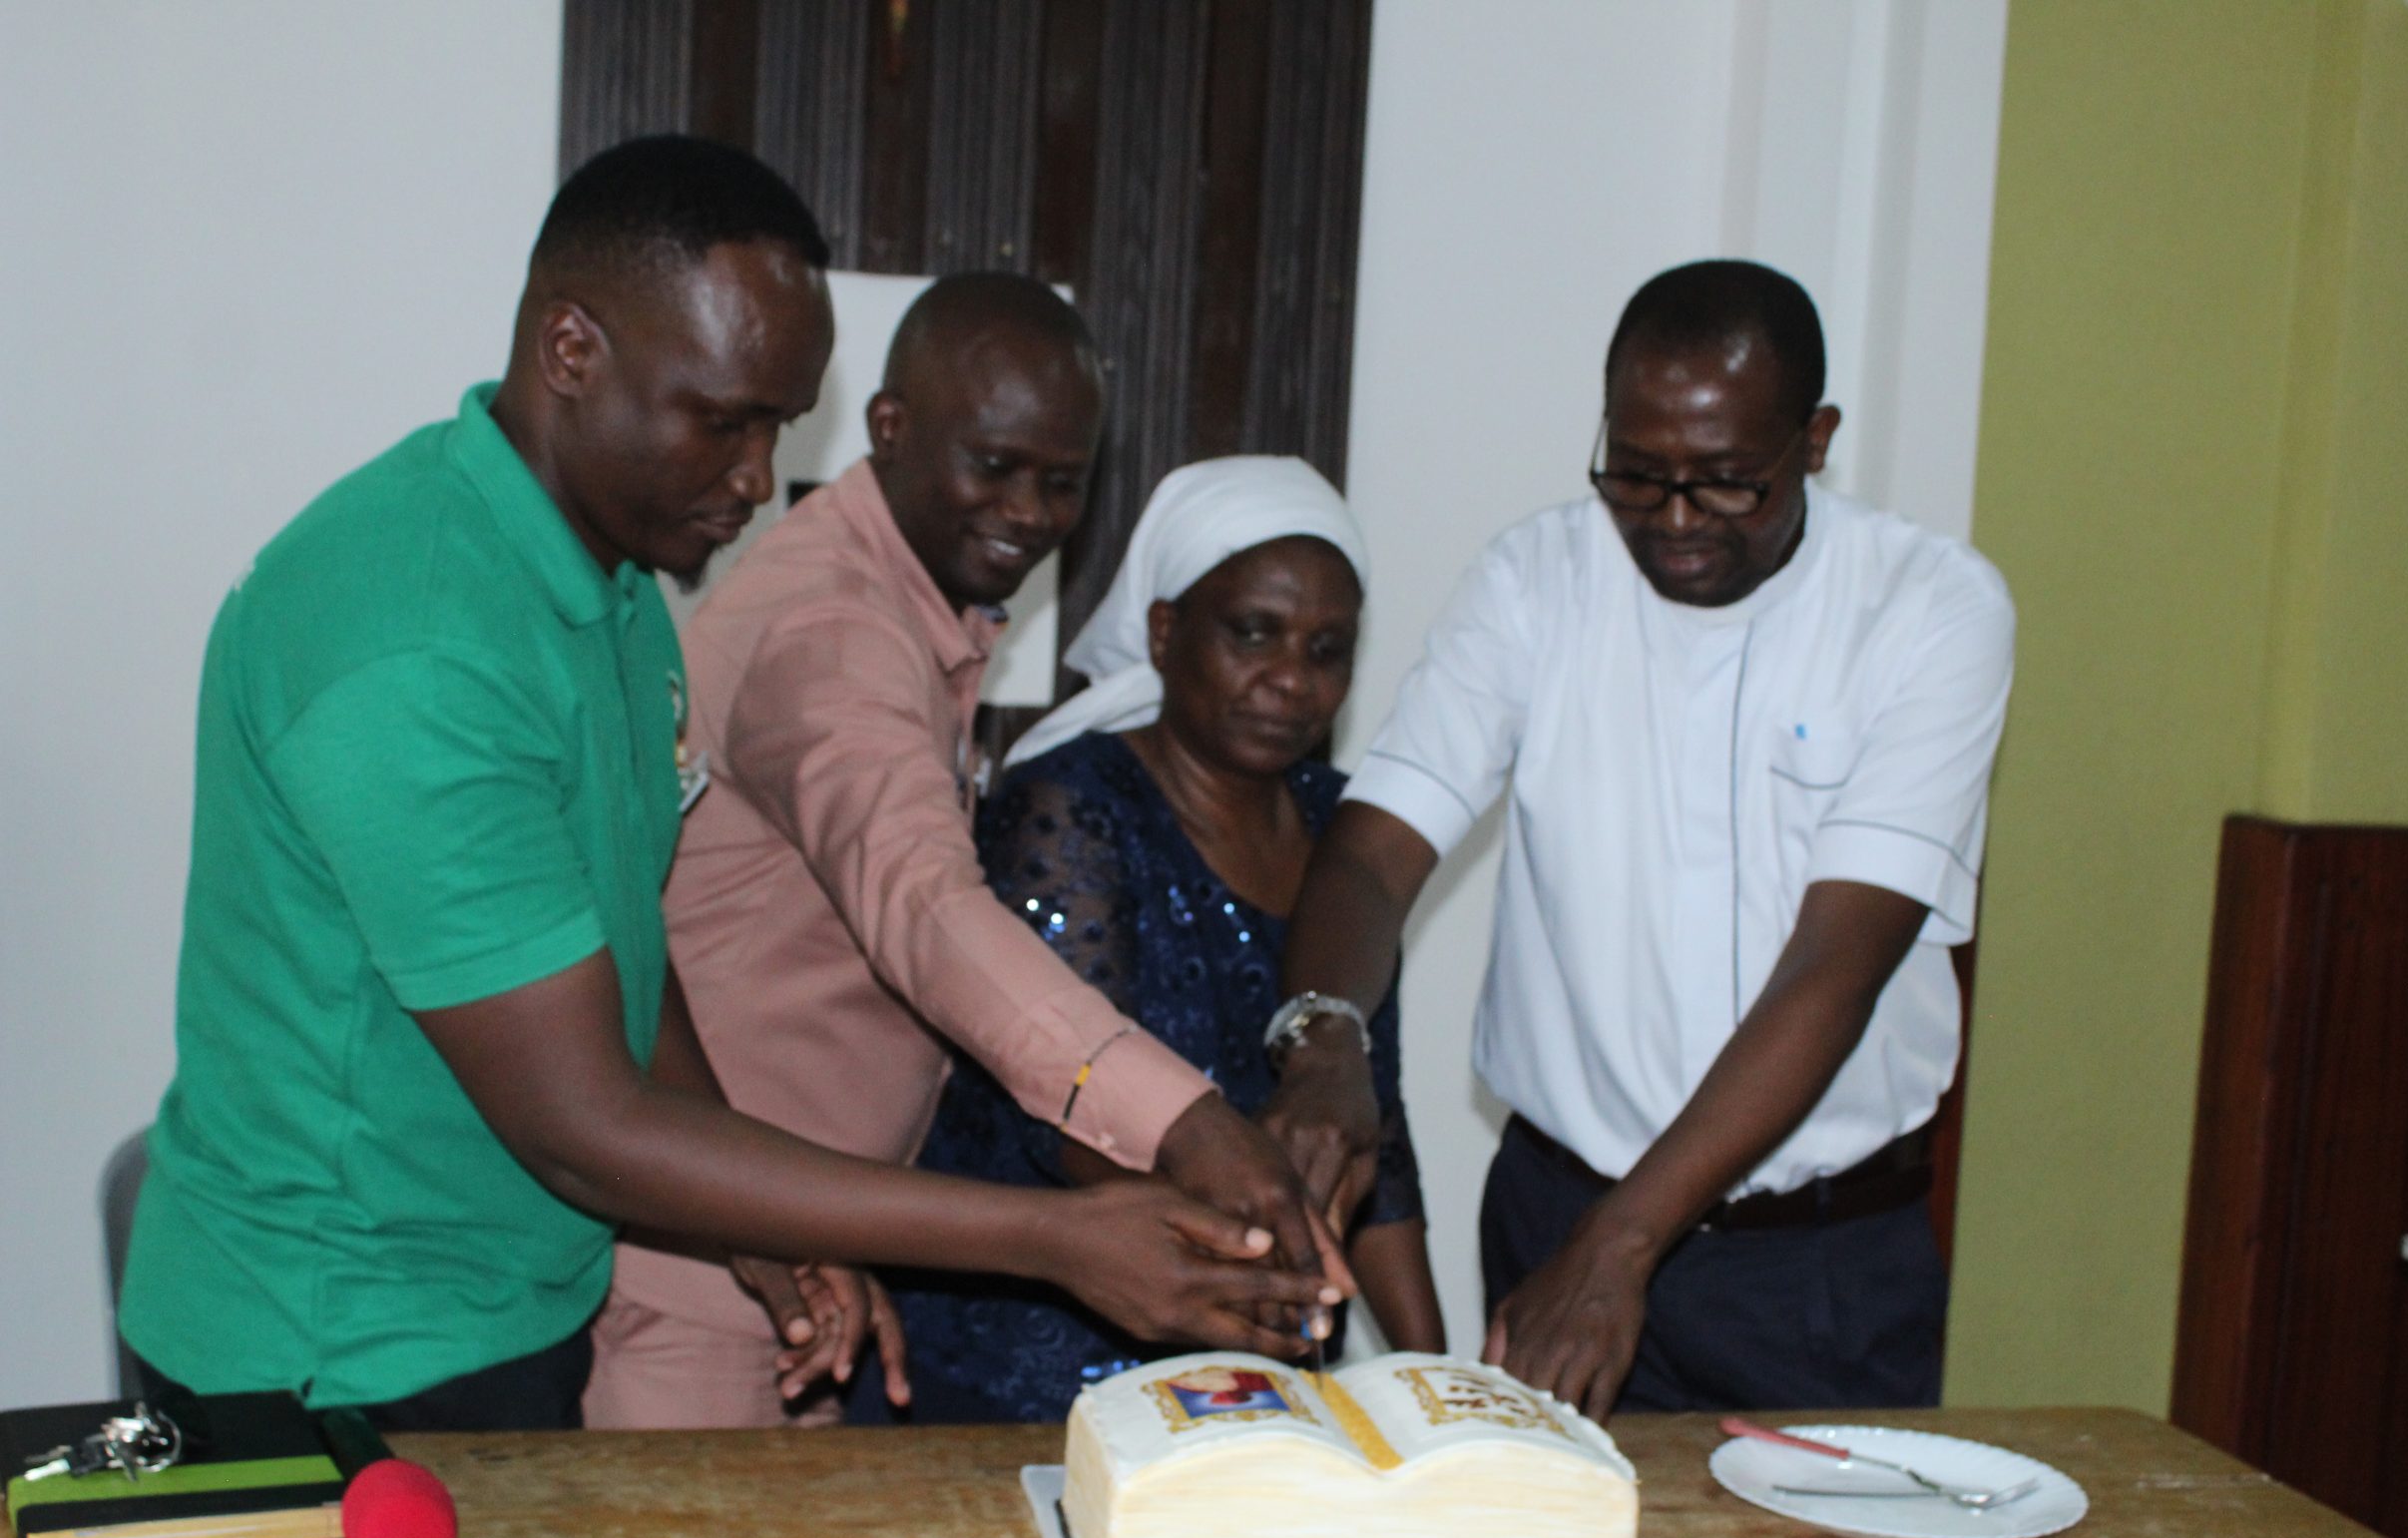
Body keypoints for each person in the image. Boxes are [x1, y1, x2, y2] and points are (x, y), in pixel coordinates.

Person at [116, 137, 1338, 1434]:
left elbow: (626, 961)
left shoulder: (615, 589)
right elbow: (583, 1124)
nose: (759, 478)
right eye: (724, 419)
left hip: (511, 1306)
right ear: (572, 349)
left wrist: (759, 1237)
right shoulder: (412, 636)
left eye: (778, 424)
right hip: (328, 1345)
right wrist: (1055, 1237)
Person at [582, 282, 1351, 1429]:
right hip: (704, 1271)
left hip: (813, 1254)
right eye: (992, 466)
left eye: (1062, 481)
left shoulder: (917, 601)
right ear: (890, 427)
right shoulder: (836, 631)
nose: (1028, 514)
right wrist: (1184, 1122)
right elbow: (924, 909)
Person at [1265, 260, 2015, 1421]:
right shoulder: (1534, 580)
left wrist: (1620, 1246)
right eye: (1635, 473)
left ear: (1813, 441)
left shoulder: (1930, 610)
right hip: (1554, 1210)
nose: (1672, 521)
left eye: (1726, 486)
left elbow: (1836, 964)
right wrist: (1324, 1039)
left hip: (1808, 1266)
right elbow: (1371, 852)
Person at [890, 457, 1446, 1421]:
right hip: (1047, 1359)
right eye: (1253, 633)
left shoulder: (1341, 827)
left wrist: (1445, 1383)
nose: (1290, 680)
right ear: (1162, 629)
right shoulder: (1072, 808)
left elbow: (1370, 1129)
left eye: (1327, 649)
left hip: (1260, 1353)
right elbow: (1067, 1119)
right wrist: (1271, 1266)